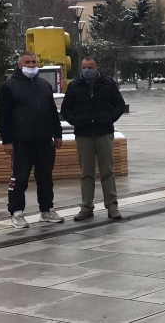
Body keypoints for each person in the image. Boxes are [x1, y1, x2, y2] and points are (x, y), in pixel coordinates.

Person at [0, 52, 65, 228]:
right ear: (20, 65)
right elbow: (3, 116)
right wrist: (7, 140)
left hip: (44, 142)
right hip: (21, 143)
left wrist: (57, 134)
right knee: (19, 179)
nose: (31, 64)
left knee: (45, 178)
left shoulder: (44, 85)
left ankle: (46, 210)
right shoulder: (9, 86)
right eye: (27, 62)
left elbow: (52, 112)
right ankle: (16, 212)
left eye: (34, 62)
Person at [61, 57, 126, 221]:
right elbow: (66, 109)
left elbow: (119, 104)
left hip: (104, 133)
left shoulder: (108, 84)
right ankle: (87, 207)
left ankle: (112, 206)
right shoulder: (74, 85)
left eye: (90, 67)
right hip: (83, 135)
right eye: (83, 67)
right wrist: (76, 121)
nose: (86, 70)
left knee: (107, 172)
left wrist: (109, 118)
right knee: (86, 173)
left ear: (97, 68)